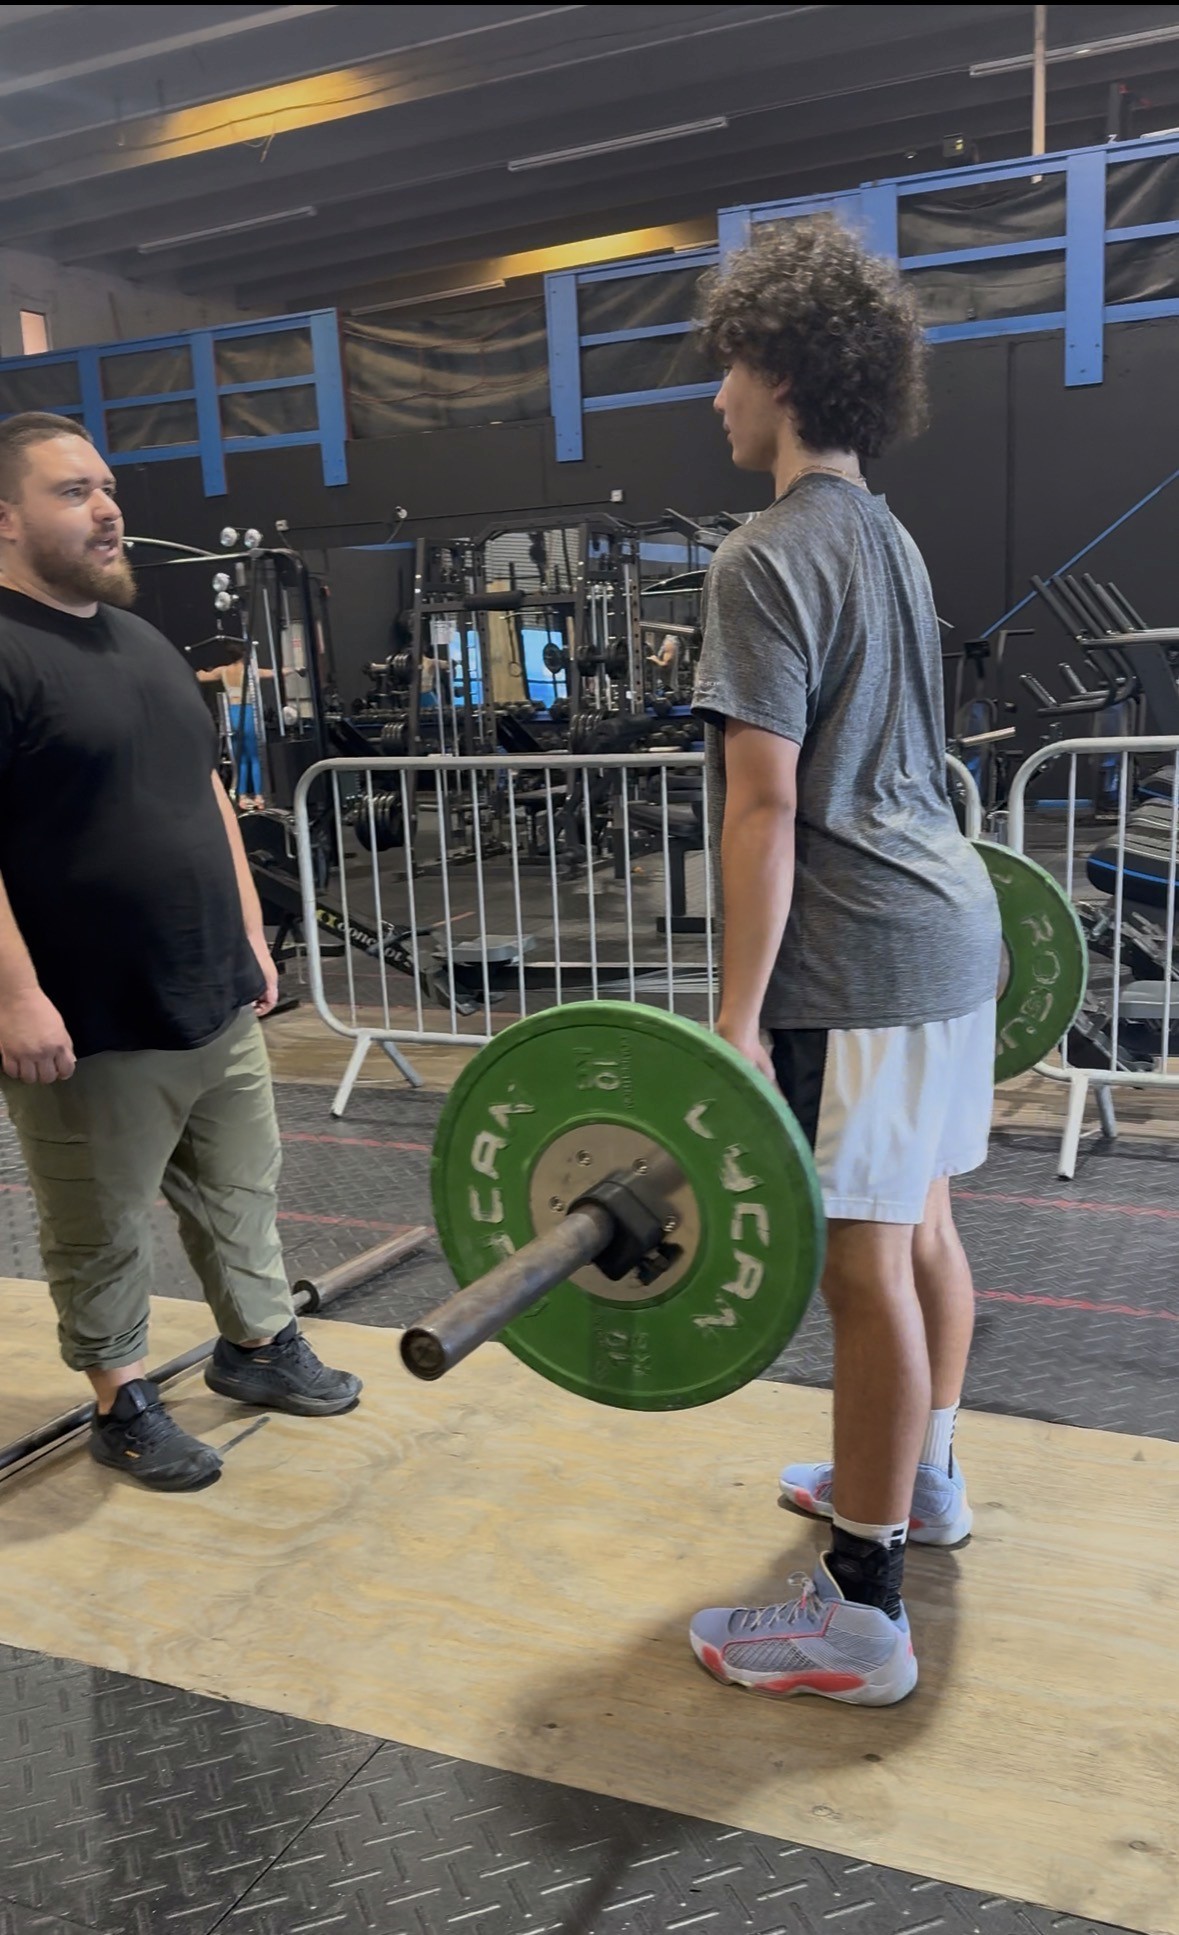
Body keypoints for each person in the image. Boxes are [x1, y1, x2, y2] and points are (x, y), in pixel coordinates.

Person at [686, 223, 1001, 1705]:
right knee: (921, 1220)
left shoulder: (761, 556)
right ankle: (920, 1477)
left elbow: (762, 804)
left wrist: (733, 1021)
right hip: (950, 935)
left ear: (787, 373)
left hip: (860, 958)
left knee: (862, 1262)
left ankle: (861, 1610)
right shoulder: (887, 533)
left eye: (731, 369)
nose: (717, 400)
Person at [0, 412, 361, 1495]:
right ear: (4, 519)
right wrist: (16, 998)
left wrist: (253, 935)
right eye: (73, 491)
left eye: (106, 488)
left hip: (209, 991)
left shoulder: (144, 643)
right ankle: (122, 1398)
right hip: (90, 1013)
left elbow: (208, 795)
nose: (107, 508)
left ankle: (257, 1345)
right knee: (100, 1223)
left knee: (241, 1190)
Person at [196, 654, 273, 810]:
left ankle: (243, 797)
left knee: (241, 759)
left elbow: (201, 676)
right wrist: (296, 669)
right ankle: (258, 796)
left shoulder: (222, 671)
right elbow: (274, 672)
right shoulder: (251, 671)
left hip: (232, 713)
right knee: (254, 757)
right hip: (248, 712)